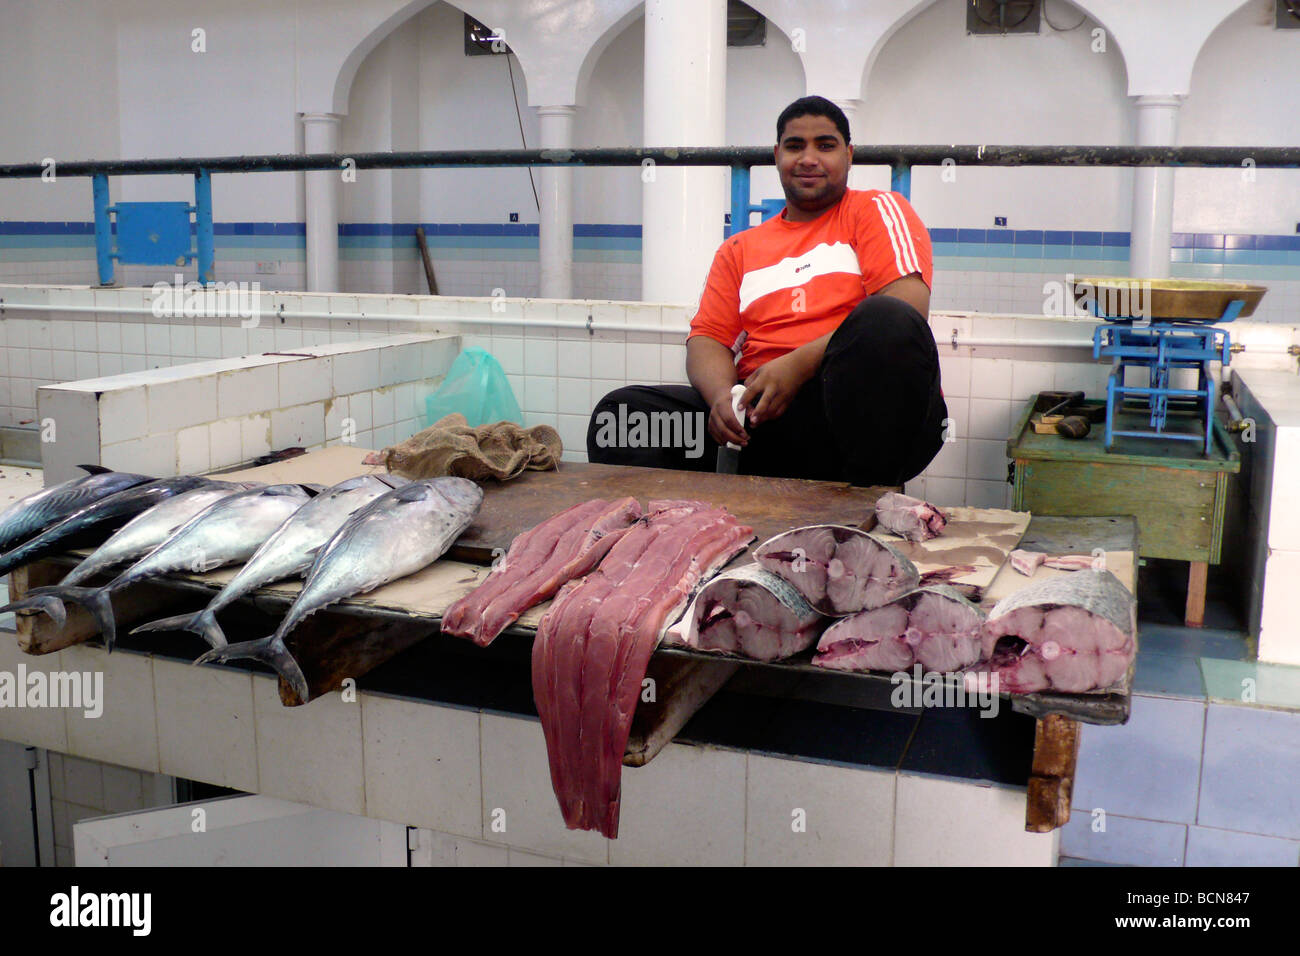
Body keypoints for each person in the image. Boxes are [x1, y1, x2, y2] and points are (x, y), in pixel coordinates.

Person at [587, 95, 947, 487]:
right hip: (762, 426)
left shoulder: (877, 210)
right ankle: (692, 533)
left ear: (849, 154)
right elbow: (707, 339)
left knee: (886, 319)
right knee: (622, 418)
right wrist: (723, 399)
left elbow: (908, 305)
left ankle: (861, 503)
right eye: (795, 146)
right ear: (777, 155)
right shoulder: (739, 249)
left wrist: (796, 366)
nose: (808, 158)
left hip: (852, 420)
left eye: (825, 145)